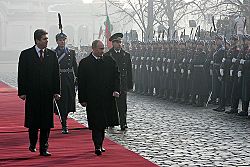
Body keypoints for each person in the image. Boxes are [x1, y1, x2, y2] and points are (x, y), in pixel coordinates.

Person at [18, 29, 60, 156]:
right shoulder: (26, 55)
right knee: (33, 122)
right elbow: (22, 75)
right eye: (44, 39)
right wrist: (22, 92)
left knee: (46, 123)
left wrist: (56, 91)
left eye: (47, 39)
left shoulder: (52, 55)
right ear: (37, 40)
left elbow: (55, 75)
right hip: (33, 94)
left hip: (47, 95)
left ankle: (44, 148)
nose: (47, 41)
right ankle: (32, 143)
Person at [78, 40, 120, 156]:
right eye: (100, 49)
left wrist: (116, 89)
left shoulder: (109, 60)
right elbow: (81, 83)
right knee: (96, 123)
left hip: (106, 97)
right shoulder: (85, 63)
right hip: (93, 98)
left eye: (103, 49)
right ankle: (97, 145)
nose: (102, 51)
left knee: (103, 123)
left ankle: (100, 143)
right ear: (93, 49)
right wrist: (82, 99)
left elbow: (116, 76)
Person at [104, 33, 133, 131]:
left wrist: (130, 84)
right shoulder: (107, 55)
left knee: (122, 105)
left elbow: (129, 71)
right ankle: (111, 121)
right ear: (113, 43)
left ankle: (123, 123)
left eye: (120, 42)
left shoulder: (126, 55)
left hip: (122, 83)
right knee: (111, 104)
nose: (119, 44)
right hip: (111, 83)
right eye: (117, 42)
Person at [54, 32, 78, 134]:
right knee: (62, 101)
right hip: (59, 79)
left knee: (69, 99)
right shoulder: (53, 53)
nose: (62, 42)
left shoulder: (71, 52)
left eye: (63, 40)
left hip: (69, 79)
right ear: (57, 41)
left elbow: (75, 66)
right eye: (60, 40)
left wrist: (78, 78)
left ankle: (65, 117)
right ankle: (64, 123)